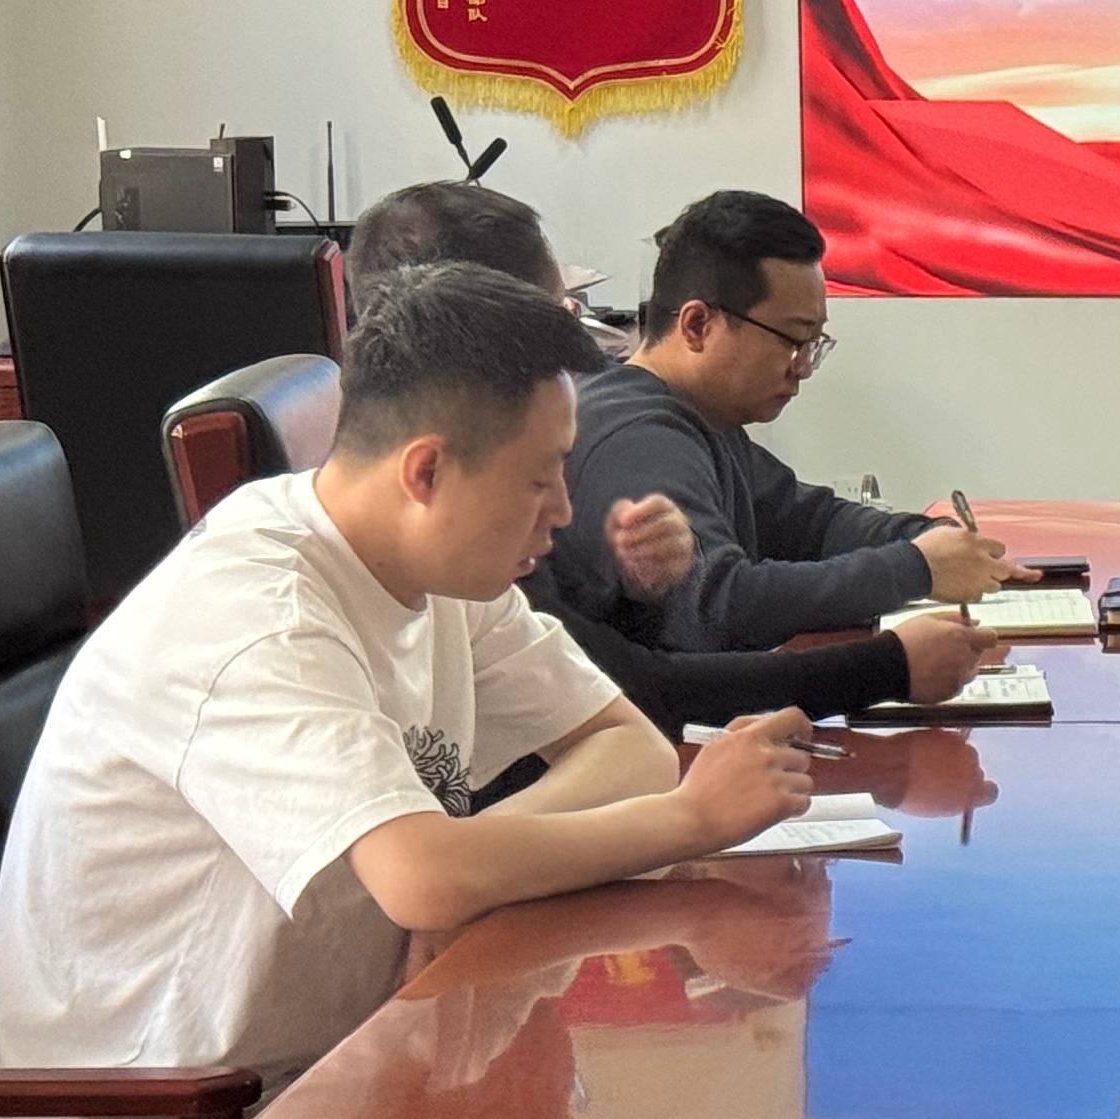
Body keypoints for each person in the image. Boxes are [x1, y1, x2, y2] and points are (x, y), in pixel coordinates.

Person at [0, 263, 819, 1119]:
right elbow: (425, 879)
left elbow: (624, 746)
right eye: (539, 477)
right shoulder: (259, 619)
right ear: (426, 472)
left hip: (344, 1075)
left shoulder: (434, 563)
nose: (563, 510)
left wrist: (469, 864)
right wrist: (685, 820)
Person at [346, 183, 1000, 729]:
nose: (562, 508)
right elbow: (658, 676)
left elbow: (617, 714)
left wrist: (923, 544)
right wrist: (894, 645)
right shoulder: (626, 436)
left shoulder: (472, 577)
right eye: (561, 314)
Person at [545, 188, 1012, 649]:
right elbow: (719, 607)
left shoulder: (701, 418)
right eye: (792, 340)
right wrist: (916, 568)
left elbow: (812, 524)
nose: (803, 367)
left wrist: (928, 538)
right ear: (697, 325)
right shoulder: (637, 437)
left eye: (814, 344)